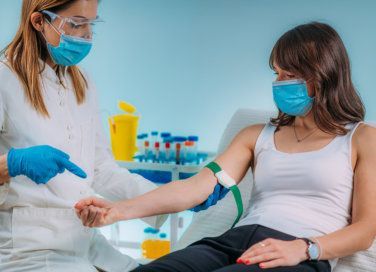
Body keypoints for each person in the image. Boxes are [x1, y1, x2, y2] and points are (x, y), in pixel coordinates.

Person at [75, 22, 376, 272]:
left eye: (291, 75)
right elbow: (196, 187)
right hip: (235, 239)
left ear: (324, 75)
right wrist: (118, 211)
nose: (279, 83)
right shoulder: (256, 135)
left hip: (296, 250)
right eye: (277, 73)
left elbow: (365, 230)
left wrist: (305, 248)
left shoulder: (362, 138)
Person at [0, 0, 221, 271]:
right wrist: (11, 164)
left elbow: (102, 171)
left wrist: (176, 198)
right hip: (27, 250)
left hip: (85, 241)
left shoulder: (81, 83)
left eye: (91, 24)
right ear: (38, 22)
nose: (87, 35)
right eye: (77, 23)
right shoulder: (4, 78)